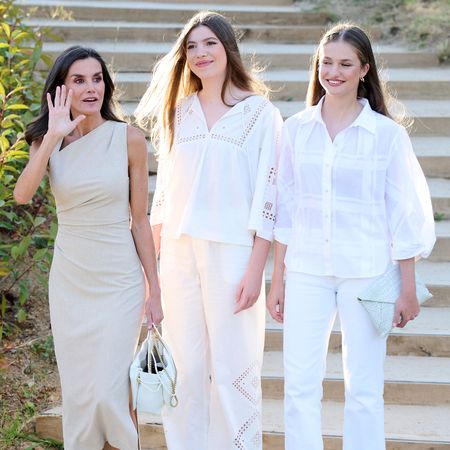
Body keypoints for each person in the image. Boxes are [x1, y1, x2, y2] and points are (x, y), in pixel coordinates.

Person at [267, 23, 435, 450]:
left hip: (367, 273)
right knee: (300, 385)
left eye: (345, 64)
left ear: (364, 69)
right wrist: (278, 279)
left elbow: (405, 216)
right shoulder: (295, 129)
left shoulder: (387, 135)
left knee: (363, 388)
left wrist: (409, 289)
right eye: (326, 63)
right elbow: (285, 210)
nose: (334, 72)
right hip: (306, 271)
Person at [135, 10, 282, 450]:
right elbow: (164, 197)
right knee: (186, 370)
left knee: (234, 369)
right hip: (179, 254)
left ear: (227, 48)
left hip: (234, 254)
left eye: (209, 44)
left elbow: (268, 199)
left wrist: (257, 270)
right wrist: (151, 278)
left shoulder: (260, 114)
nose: (200, 54)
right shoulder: (179, 113)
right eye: (191, 47)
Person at [14, 46, 162, 450]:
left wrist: (155, 289)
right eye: (79, 80)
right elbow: (23, 194)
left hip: (119, 278)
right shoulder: (46, 140)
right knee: (80, 393)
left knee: (110, 391)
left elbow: (140, 220)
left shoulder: (130, 138)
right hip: (71, 278)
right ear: (61, 89)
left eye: (97, 78)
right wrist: (53, 139)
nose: (91, 87)